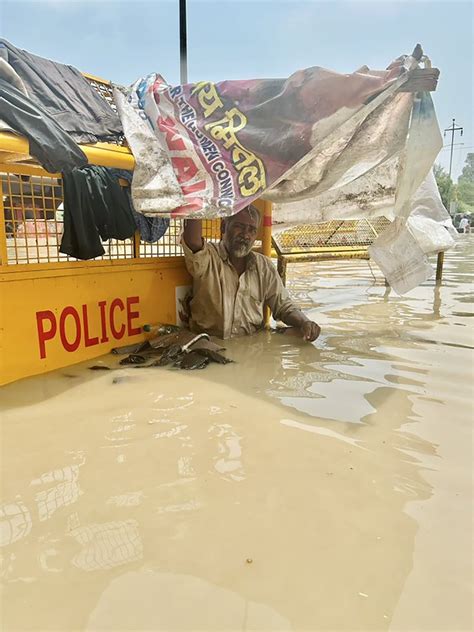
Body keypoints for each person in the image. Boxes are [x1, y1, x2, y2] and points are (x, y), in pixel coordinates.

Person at [181, 204, 321, 341]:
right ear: (223, 227)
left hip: (252, 345)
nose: (245, 235)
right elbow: (192, 241)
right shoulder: (209, 257)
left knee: (299, 334)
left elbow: (284, 306)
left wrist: (305, 323)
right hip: (210, 345)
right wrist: (195, 198)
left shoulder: (264, 266)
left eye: (252, 230)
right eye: (239, 226)